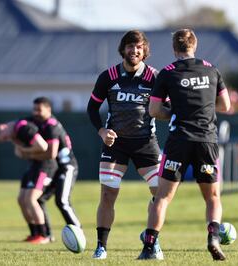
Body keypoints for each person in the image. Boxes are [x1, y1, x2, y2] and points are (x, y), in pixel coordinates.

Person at [137, 28, 231, 261]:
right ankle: (213, 237)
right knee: (212, 197)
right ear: (194, 46)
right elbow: (226, 105)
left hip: (179, 140)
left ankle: (149, 247)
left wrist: (176, 111)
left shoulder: (167, 74)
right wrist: (205, 107)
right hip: (207, 140)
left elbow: (154, 110)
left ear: (174, 48)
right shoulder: (211, 69)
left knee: (163, 197)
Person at [87, 30, 163, 260]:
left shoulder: (155, 78)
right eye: (130, 46)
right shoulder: (108, 76)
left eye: (139, 47)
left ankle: (152, 239)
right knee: (108, 195)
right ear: (123, 49)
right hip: (116, 145)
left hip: (146, 143)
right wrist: (102, 131)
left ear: (145, 51)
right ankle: (101, 246)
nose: (134, 50)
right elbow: (92, 108)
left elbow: (165, 108)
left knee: (161, 194)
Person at [18, 97, 82, 239]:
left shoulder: (52, 126)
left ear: (48, 110)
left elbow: (51, 153)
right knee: (38, 199)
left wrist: (27, 152)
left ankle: (78, 233)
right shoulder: (38, 123)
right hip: (53, 168)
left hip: (66, 167)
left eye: (39, 110)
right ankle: (46, 235)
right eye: (34, 109)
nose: (36, 113)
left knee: (62, 201)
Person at [0, 119, 57, 244]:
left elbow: (43, 146)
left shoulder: (23, 128)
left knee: (31, 199)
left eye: (3, 138)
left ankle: (44, 235)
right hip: (34, 165)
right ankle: (34, 233)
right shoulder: (14, 134)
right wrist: (22, 149)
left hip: (45, 165)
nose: (6, 140)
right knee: (21, 199)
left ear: (3, 127)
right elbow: (18, 153)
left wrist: (26, 151)